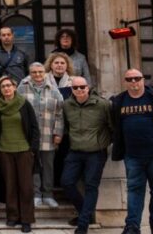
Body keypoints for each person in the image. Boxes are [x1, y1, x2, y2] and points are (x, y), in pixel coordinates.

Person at [111, 69, 153, 234]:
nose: (133, 82)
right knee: (134, 191)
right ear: (125, 81)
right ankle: (132, 227)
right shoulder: (119, 101)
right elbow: (114, 125)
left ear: (143, 79)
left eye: (137, 78)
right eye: (129, 79)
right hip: (132, 156)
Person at [61, 76, 113, 234]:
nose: (79, 90)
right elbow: (67, 126)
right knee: (67, 182)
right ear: (71, 89)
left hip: (96, 153)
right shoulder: (66, 105)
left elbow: (112, 126)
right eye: (75, 88)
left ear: (88, 87)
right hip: (75, 151)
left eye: (82, 87)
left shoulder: (103, 104)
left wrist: (104, 142)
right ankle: (86, 213)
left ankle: (83, 225)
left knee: (91, 186)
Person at [0, 75, 40, 233]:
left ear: (14, 87)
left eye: (9, 85)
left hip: (24, 151)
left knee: (26, 187)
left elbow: (34, 127)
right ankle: (13, 216)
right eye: (3, 86)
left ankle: (26, 219)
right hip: (5, 150)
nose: (6, 88)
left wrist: (33, 149)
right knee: (10, 186)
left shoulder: (24, 104)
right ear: (0, 90)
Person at [18, 62, 64, 208]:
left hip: (48, 134)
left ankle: (48, 195)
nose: (37, 75)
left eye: (40, 72)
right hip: (29, 136)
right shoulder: (22, 88)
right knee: (33, 166)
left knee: (48, 166)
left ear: (44, 72)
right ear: (29, 73)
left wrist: (58, 133)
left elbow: (60, 113)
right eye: (34, 72)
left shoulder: (53, 89)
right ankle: (36, 194)